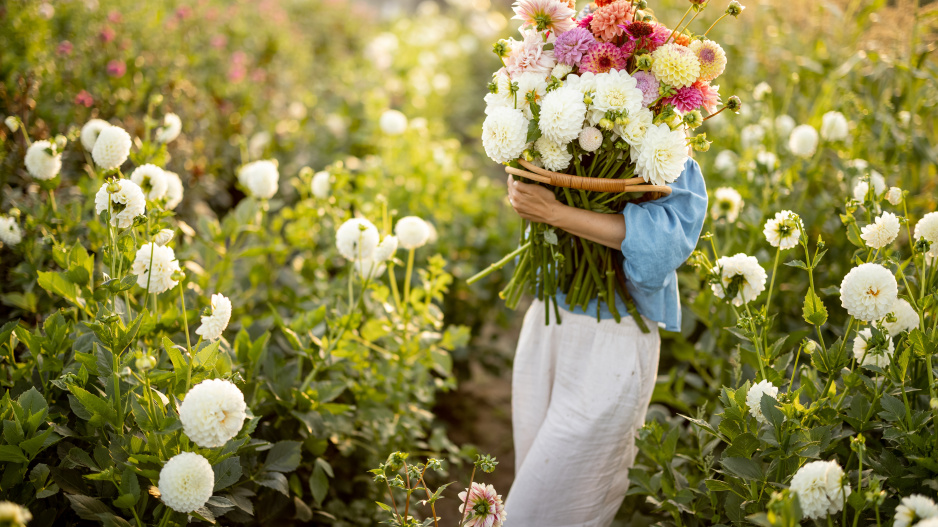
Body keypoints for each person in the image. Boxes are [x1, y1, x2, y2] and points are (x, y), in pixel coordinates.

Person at [503, 158, 708, 526]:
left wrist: (555, 212)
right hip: (547, 319)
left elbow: (662, 245)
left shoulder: (668, 141)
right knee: (531, 484)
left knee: (543, 512)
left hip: (613, 339)